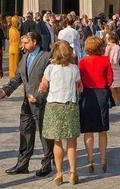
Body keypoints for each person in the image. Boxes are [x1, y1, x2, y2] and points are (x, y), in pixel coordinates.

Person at [0, 31, 54, 177]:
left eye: (25, 42)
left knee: (44, 134)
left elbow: (51, 82)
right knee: (25, 132)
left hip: (42, 102)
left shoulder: (46, 57)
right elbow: (18, 77)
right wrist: (5, 91)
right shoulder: (25, 56)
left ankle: (47, 164)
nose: (22, 45)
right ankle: (22, 164)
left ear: (34, 42)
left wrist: (39, 97)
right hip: (26, 102)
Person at [38, 41, 82, 186]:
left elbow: (43, 87)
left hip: (54, 106)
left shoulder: (50, 68)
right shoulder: (74, 68)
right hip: (70, 105)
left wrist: (39, 91)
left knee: (57, 142)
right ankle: (73, 172)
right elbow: (79, 87)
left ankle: (59, 174)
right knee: (71, 142)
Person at [78, 36, 112, 173]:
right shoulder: (105, 60)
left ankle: (90, 159)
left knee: (88, 130)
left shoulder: (82, 62)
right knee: (102, 129)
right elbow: (110, 79)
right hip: (102, 93)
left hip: (87, 94)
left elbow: (79, 80)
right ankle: (103, 159)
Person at [104, 30, 120, 105]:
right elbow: (111, 59)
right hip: (111, 68)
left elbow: (114, 60)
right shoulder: (111, 47)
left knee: (115, 87)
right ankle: (116, 102)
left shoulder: (115, 47)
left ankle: (117, 102)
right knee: (114, 87)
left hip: (113, 68)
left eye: (108, 39)